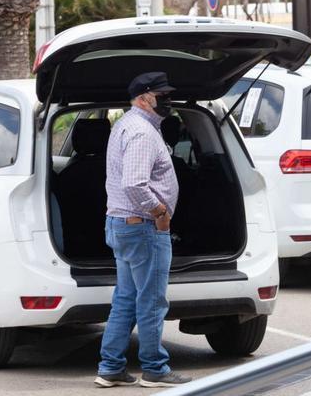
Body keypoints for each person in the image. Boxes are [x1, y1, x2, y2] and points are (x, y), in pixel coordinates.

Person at [95, 72, 192, 388]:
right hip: (143, 227)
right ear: (142, 98)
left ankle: (110, 367)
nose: (167, 99)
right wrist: (160, 212)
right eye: (160, 94)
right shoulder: (141, 133)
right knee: (151, 300)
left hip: (125, 225)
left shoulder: (128, 125)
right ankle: (155, 368)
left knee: (126, 297)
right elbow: (134, 183)